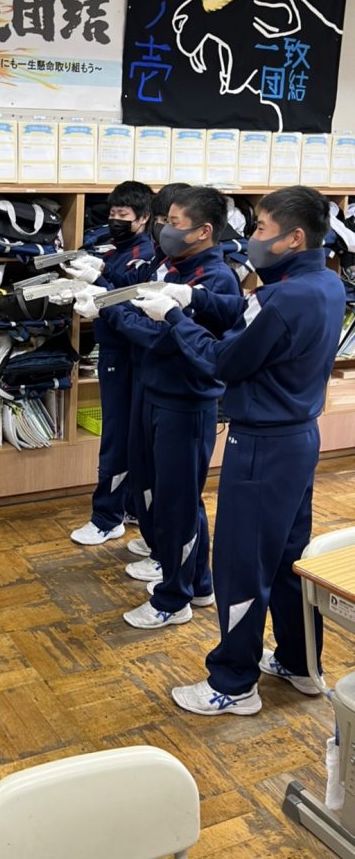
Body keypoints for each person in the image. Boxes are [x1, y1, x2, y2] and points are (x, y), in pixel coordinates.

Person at [132, 186, 345, 714]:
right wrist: (194, 299)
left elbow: (223, 360)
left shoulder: (282, 298)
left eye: (262, 229)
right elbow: (248, 314)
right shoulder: (323, 281)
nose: (251, 238)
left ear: (294, 238)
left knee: (241, 564)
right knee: (288, 559)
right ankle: (299, 662)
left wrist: (174, 319)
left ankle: (232, 683)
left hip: (261, 447)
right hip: (298, 440)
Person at [87, 187, 241, 630]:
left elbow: (162, 338)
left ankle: (174, 599)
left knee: (179, 504)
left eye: (173, 223)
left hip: (185, 405)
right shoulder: (174, 266)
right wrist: (106, 297)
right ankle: (198, 582)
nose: (164, 230)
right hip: (154, 392)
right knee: (156, 492)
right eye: (163, 221)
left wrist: (109, 313)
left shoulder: (214, 280)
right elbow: (140, 314)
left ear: (203, 231)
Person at [65, 181, 155, 546]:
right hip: (114, 346)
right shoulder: (116, 246)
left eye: (123, 214)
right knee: (125, 433)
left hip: (129, 350)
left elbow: (132, 297)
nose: (115, 219)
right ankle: (127, 508)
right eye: (113, 212)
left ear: (143, 218)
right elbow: (115, 282)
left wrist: (98, 280)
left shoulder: (147, 253)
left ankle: (106, 517)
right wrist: (96, 270)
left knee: (118, 435)